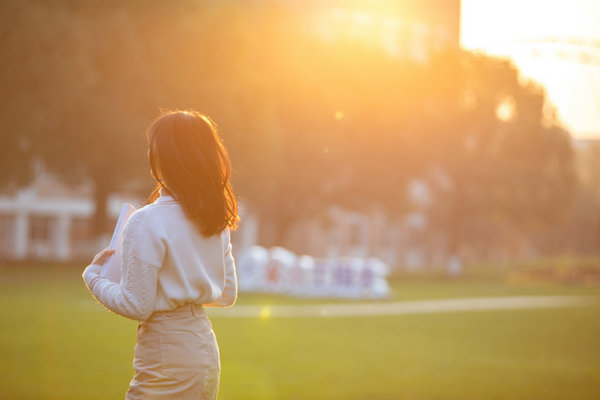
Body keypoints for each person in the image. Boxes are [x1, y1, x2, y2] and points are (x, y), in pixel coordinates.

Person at [82, 110, 239, 400]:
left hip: (167, 353)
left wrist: (93, 278)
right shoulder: (215, 218)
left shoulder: (146, 220)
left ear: (164, 156)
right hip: (203, 348)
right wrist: (182, 289)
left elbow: (136, 305)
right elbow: (226, 293)